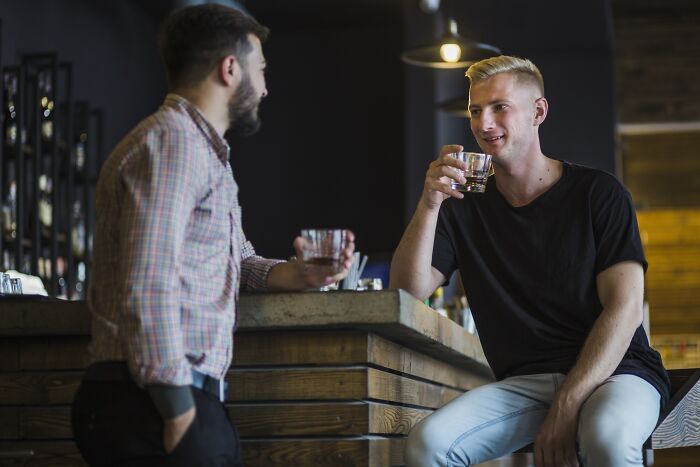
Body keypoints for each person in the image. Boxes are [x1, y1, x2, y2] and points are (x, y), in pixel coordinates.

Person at [71, 5, 355, 466]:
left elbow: (239, 263)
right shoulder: (175, 144)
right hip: (153, 402)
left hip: (170, 400)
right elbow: (149, 281)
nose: (265, 87)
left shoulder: (203, 152)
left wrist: (300, 275)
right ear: (230, 69)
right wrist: (180, 413)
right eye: (260, 70)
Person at [391, 55, 669, 467]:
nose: (483, 123)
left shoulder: (599, 193)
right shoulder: (460, 206)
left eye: (499, 107)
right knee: (427, 444)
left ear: (538, 111)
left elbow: (625, 309)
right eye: (474, 110)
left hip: (618, 372)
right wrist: (430, 203)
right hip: (527, 384)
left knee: (606, 438)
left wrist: (568, 402)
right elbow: (407, 292)